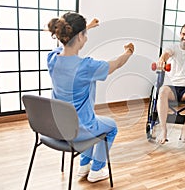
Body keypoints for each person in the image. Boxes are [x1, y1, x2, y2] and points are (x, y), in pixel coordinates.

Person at [46, 12, 134, 182]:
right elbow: (116, 63)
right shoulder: (86, 67)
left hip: (55, 127)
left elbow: (68, 42)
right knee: (110, 127)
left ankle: (84, 164)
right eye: (84, 35)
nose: (86, 38)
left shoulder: (52, 59)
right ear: (79, 36)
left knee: (92, 121)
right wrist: (128, 51)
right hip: (78, 130)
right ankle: (96, 169)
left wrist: (87, 27)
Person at [156, 23, 185, 144]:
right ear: (180, 34)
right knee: (162, 91)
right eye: (183, 34)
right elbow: (166, 54)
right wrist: (162, 60)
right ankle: (163, 130)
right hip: (171, 88)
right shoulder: (173, 47)